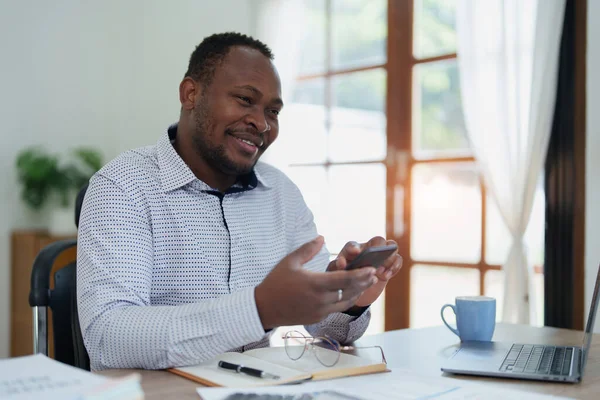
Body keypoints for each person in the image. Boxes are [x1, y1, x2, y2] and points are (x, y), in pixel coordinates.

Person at [77, 32, 402, 371]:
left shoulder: (282, 194)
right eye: (246, 100)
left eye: (273, 111)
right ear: (191, 94)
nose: (261, 123)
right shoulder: (122, 187)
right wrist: (258, 309)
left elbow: (326, 331)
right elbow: (107, 338)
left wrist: (349, 298)